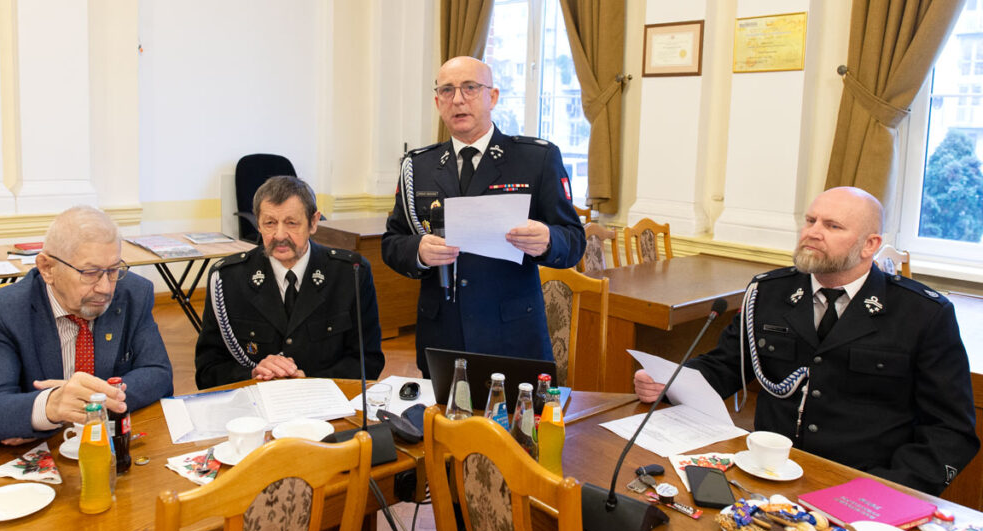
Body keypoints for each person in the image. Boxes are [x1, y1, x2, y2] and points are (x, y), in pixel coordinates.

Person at [634, 187, 979, 495]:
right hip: (766, 471)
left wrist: (888, 491)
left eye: (832, 226)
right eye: (810, 220)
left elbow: (950, 430)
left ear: (870, 245)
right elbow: (726, 364)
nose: (812, 232)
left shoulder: (922, 313)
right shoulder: (768, 293)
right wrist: (671, 381)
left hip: (861, 483)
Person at [382, 56, 585, 374]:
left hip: (512, 334)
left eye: (470, 88)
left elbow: (573, 240)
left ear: (493, 96)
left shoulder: (536, 159)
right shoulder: (419, 166)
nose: (458, 99)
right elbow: (392, 242)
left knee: (518, 410)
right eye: (447, 90)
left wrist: (548, 240)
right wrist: (418, 251)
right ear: (437, 102)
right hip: (443, 335)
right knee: (444, 409)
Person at [0, 206, 173, 445]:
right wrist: (50, 406)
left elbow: (158, 374)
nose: (105, 288)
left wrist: (89, 401)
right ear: (47, 268)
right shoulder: (3, 312)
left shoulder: (134, 293)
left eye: (113, 270)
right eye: (90, 272)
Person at [195, 175, 384, 389]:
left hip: (323, 400)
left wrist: (311, 382)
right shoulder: (228, 279)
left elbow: (368, 361)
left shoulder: (350, 274)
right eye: (270, 223)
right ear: (258, 224)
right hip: (255, 402)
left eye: (291, 223)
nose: (279, 235)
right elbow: (207, 370)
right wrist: (252, 374)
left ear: (313, 222)